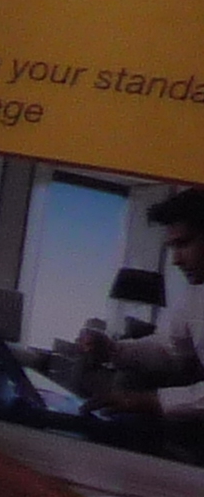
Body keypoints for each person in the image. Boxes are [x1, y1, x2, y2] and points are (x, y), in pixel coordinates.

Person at [73, 184, 204, 459]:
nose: (176, 260)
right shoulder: (194, 295)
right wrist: (113, 350)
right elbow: (171, 350)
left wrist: (146, 401)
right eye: (172, 247)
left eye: (184, 244)